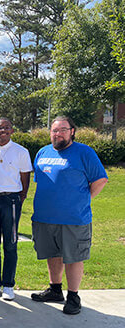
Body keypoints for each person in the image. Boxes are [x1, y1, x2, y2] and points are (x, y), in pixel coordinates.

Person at [30, 116, 108, 315]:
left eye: (63, 130)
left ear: (72, 131)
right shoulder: (43, 152)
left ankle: (73, 296)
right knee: (53, 254)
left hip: (74, 219)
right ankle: (55, 289)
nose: (58, 134)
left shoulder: (84, 152)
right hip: (45, 217)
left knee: (73, 256)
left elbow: (100, 179)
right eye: (54, 130)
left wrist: (84, 198)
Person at [0, 118, 32, 301]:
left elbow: (25, 176)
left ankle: (8, 284)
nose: (3, 130)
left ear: (12, 130)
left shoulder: (21, 151)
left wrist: (22, 196)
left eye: (7, 127)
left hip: (11, 199)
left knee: (10, 243)